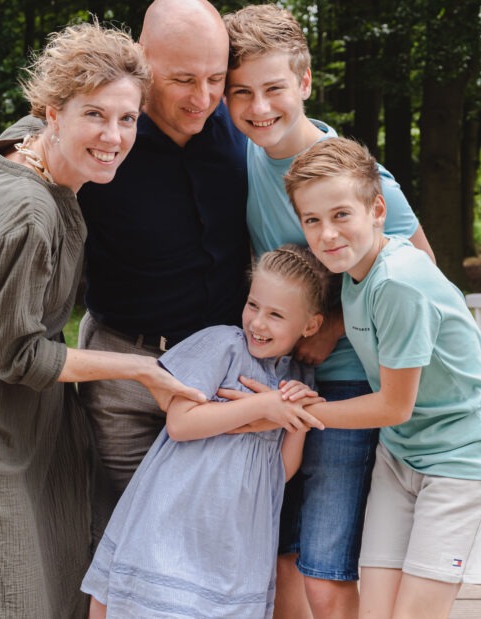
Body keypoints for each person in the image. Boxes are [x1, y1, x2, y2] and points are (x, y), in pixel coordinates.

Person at [0, 0, 254, 536]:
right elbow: (0, 199)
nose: (203, 98)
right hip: (120, 367)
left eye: (215, 78)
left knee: (216, 538)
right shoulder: (96, 132)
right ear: (144, 60)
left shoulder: (245, 124)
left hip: (223, 369)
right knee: (123, 540)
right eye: (181, 80)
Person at [0, 22, 206, 619]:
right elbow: (16, 356)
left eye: (127, 118)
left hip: (35, 424)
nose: (114, 136)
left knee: (54, 584)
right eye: (94, 115)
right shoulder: (30, 214)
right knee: (2, 598)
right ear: (52, 112)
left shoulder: (18, 143)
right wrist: (142, 369)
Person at [221, 3, 435, 618]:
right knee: (279, 556)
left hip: (345, 378)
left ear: (305, 83)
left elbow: (422, 274)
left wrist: (334, 323)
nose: (259, 108)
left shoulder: (356, 178)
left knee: (323, 566)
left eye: (274, 90)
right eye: (241, 93)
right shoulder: (250, 154)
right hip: (277, 374)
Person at [268, 137, 481, 619]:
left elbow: (393, 405)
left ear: (377, 209)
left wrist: (299, 410)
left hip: (460, 459)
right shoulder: (353, 272)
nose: (327, 235)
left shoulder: (399, 282)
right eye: (311, 221)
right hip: (401, 455)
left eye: (341, 215)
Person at [81, 245, 332, 618]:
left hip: (235, 535)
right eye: (253, 305)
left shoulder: (295, 379)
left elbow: (281, 471)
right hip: (177, 514)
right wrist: (262, 406)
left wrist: (294, 420)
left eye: (276, 315)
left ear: (310, 326)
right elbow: (180, 423)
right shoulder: (222, 345)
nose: (258, 323)